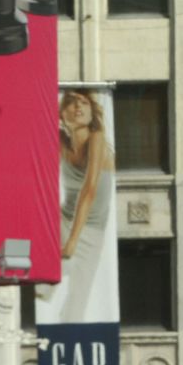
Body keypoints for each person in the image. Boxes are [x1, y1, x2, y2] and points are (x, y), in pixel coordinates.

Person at [52, 88, 116, 321]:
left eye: (84, 102)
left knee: (77, 301)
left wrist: (72, 243)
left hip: (92, 228)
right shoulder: (59, 139)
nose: (78, 106)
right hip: (64, 219)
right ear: (62, 112)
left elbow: (89, 190)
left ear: (92, 113)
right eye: (71, 102)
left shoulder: (96, 138)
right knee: (45, 284)